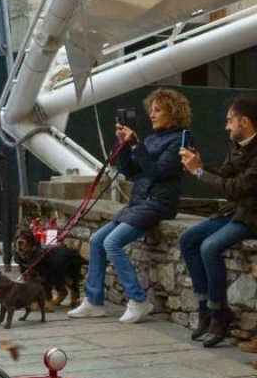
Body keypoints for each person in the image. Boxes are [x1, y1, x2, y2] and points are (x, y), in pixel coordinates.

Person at [69, 88, 190, 324]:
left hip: (158, 203)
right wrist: (124, 145)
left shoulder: (181, 138)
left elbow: (157, 173)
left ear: (173, 113)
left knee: (111, 243)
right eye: (151, 111)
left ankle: (138, 300)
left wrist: (136, 145)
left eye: (157, 110)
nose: (152, 115)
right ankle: (94, 301)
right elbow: (130, 171)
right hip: (139, 203)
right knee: (96, 240)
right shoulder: (153, 138)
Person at [178, 95, 257, 348]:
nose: (226, 127)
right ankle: (205, 310)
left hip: (251, 216)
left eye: (229, 121)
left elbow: (235, 188)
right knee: (187, 239)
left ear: (244, 121)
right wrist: (200, 165)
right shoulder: (238, 144)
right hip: (234, 211)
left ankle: (220, 313)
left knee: (209, 247)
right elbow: (224, 175)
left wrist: (198, 173)